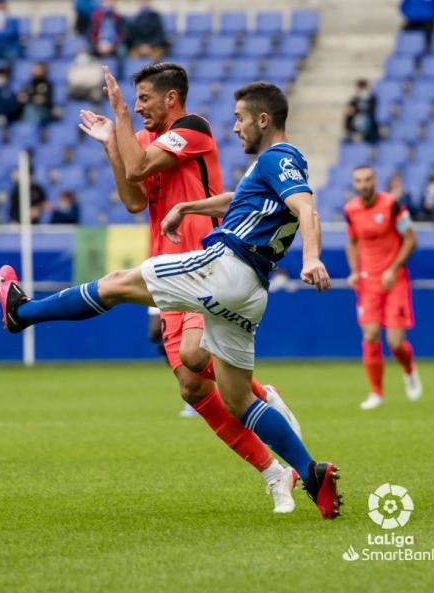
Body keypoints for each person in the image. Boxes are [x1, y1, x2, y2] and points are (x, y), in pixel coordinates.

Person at [0, 71, 342, 520]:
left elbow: (306, 205)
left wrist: (312, 257)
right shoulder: (270, 164)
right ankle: (311, 473)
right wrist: (188, 204)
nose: (233, 127)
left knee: (119, 284)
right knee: (231, 396)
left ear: (262, 119)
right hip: (251, 290)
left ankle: (23, 312)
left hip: (219, 265)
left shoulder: (260, 151)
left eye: (239, 119)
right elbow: (228, 198)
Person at [78, 62, 304, 514]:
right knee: (190, 386)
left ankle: (260, 398)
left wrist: (119, 115)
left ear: (171, 99)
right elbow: (133, 198)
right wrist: (110, 145)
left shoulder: (193, 128)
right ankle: (274, 472)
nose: (139, 107)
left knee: (196, 357)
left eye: (145, 98)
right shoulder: (143, 140)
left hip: (208, 262)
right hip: (165, 267)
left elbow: (139, 165)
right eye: (135, 99)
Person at [344, 165, 422, 410]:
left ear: (375, 180)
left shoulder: (393, 205)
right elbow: (352, 243)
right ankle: (376, 392)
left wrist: (393, 268)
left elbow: (411, 239)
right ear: (354, 184)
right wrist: (355, 272)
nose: (364, 184)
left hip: (395, 279)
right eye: (358, 180)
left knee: (396, 342)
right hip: (368, 282)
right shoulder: (351, 210)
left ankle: (409, 370)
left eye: (367, 179)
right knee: (370, 335)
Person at [17, 62, 55, 127]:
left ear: (44, 70)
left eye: (38, 69)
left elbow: (44, 100)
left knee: (32, 110)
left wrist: (29, 98)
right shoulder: (27, 84)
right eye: (34, 69)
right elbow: (21, 99)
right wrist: (33, 98)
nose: (35, 70)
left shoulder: (48, 85)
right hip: (27, 110)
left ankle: (32, 130)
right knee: (29, 109)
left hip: (43, 111)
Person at [344, 79, 379, 144]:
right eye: (360, 88)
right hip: (356, 127)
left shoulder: (373, 99)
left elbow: (372, 112)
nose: (362, 90)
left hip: (370, 126)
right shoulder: (354, 100)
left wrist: (357, 111)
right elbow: (348, 114)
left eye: (363, 88)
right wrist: (347, 128)